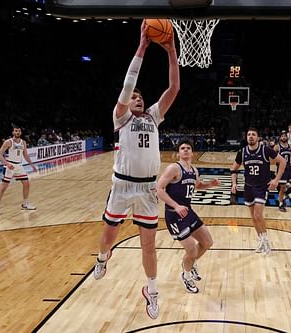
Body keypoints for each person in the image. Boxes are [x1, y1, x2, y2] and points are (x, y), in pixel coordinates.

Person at [93, 20, 180, 320]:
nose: (138, 98)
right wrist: (142, 47)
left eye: (140, 97)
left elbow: (174, 88)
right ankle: (103, 257)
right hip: (121, 186)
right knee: (108, 237)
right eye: (134, 97)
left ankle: (152, 291)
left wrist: (171, 51)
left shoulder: (154, 116)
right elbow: (128, 83)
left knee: (149, 247)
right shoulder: (121, 118)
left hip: (146, 189)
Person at [156, 141, 220, 294]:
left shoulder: (193, 170)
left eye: (188, 148)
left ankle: (190, 264)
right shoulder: (173, 168)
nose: (185, 150)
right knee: (191, 250)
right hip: (174, 215)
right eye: (182, 148)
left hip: (188, 212)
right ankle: (186, 275)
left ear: (192, 153)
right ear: (178, 153)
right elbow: (158, 189)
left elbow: (197, 186)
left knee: (207, 242)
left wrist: (210, 185)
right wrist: (176, 206)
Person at [230, 127, 286, 254]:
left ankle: (266, 242)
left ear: (258, 138)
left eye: (253, 135)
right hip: (248, 187)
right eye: (249, 134)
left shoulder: (265, 150)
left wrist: (276, 180)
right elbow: (233, 169)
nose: (250, 136)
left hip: (261, 187)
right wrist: (234, 183)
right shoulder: (242, 152)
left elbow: (283, 162)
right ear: (246, 137)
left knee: (257, 215)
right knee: (254, 218)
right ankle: (261, 241)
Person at [0, 125, 38, 215]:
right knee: (3, 187)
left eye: (19, 131)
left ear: (21, 132)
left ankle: (25, 204)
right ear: (13, 132)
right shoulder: (8, 142)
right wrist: (7, 163)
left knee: (27, 184)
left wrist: (32, 165)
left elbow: (25, 155)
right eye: (16, 131)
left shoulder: (23, 142)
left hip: (19, 166)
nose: (17, 132)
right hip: (9, 165)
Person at [274, 131, 291, 212]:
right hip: (281, 169)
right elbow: (271, 156)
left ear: (287, 137)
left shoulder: (290, 147)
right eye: (282, 136)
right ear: (280, 138)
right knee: (282, 188)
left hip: (288, 169)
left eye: (285, 136)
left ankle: (285, 195)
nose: (284, 137)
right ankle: (280, 204)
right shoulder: (277, 147)